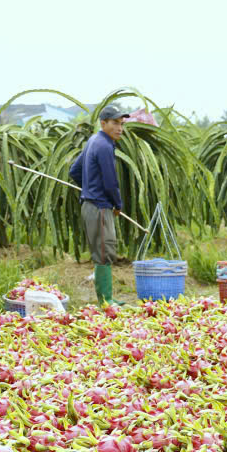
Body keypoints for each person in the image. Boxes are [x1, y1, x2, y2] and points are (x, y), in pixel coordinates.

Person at [69, 104, 130, 304]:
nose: (120, 128)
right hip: (100, 207)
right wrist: (117, 204)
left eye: (121, 124)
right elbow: (111, 181)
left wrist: (88, 188)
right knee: (105, 251)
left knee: (101, 249)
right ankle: (106, 301)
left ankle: (106, 298)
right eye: (115, 123)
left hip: (91, 204)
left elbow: (74, 171)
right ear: (103, 123)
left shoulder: (93, 140)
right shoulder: (104, 146)